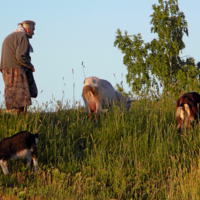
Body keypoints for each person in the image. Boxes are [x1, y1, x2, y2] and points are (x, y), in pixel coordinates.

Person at [0, 20, 38, 115]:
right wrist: (29, 65)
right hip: (16, 69)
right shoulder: (23, 36)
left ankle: (17, 122)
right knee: (21, 100)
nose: (33, 32)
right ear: (28, 29)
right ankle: (21, 120)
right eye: (33, 30)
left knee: (15, 99)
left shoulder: (12, 36)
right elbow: (20, 56)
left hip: (6, 69)